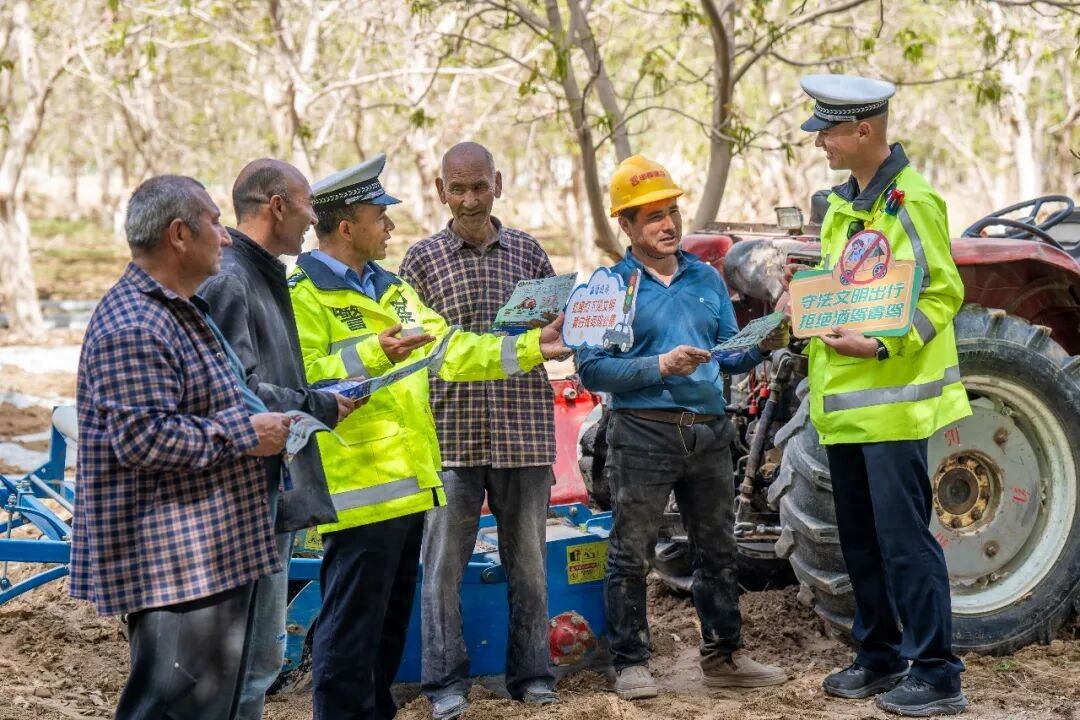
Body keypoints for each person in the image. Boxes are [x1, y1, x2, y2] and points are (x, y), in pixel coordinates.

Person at [288, 153, 569, 720]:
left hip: (409, 486)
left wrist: (534, 347)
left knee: (386, 632)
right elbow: (298, 378)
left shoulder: (390, 289)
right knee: (349, 635)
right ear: (348, 227)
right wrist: (373, 350)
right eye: (379, 215)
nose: (390, 224)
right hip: (356, 494)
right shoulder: (302, 293)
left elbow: (451, 350)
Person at [782, 74, 971, 716]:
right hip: (843, 409)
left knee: (904, 541)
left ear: (864, 130)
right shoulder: (846, 204)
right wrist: (804, 289)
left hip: (891, 402)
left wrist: (884, 347)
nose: (820, 144)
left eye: (828, 132)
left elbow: (943, 295)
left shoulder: (912, 201)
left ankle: (938, 672)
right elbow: (849, 286)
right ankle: (880, 655)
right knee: (857, 540)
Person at [70, 175, 293, 719]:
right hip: (173, 568)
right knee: (171, 711)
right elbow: (143, 438)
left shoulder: (176, 309)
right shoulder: (136, 324)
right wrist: (248, 434)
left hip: (205, 559)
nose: (225, 237)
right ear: (178, 234)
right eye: (215, 223)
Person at [576, 155, 789, 701]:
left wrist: (760, 343)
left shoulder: (704, 277)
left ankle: (724, 655)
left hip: (709, 431)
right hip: (642, 433)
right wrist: (659, 366)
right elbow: (592, 369)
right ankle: (630, 662)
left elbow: (729, 356)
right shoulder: (610, 287)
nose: (668, 224)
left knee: (717, 549)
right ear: (625, 225)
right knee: (631, 551)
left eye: (672, 212)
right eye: (653, 217)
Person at [399, 142, 558, 720]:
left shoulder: (530, 254)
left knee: (530, 566)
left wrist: (565, 327)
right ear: (440, 190)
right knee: (441, 569)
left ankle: (534, 676)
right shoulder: (418, 263)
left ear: (498, 183)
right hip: (449, 437)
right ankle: (445, 683)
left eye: (480, 187)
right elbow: (411, 353)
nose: (470, 199)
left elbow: (555, 338)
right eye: (457, 188)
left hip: (525, 433)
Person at [198, 159, 356, 719]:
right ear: (277, 206)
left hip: (272, 486)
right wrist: (318, 404)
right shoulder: (230, 277)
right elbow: (235, 391)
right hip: (241, 498)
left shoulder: (261, 273)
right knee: (243, 659)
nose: (316, 220)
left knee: (262, 654)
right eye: (309, 205)